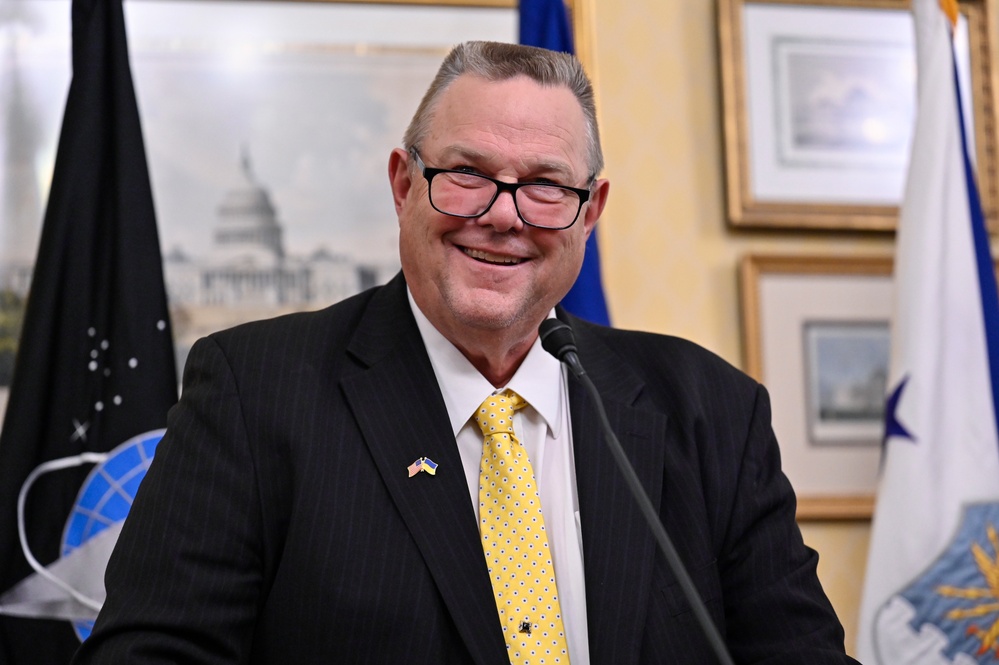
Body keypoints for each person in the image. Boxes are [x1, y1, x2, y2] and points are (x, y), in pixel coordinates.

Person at [73, 41, 858, 664]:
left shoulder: (709, 408)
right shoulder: (254, 394)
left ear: (591, 212)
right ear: (401, 183)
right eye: (466, 175)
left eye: (545, 184)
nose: (503, 216)